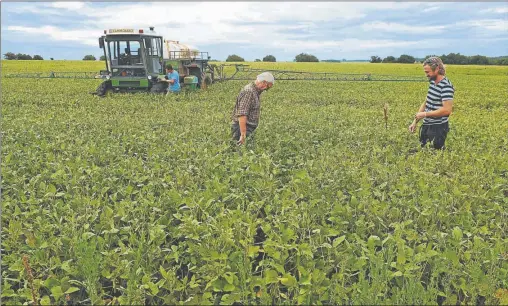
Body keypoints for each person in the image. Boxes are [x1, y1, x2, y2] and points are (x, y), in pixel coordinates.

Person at [409, 56, 455, 150]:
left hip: (438, 128)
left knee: (435, 155)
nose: (426, 75)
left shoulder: (446, 86)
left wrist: (425, 114)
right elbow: (426, 102)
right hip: (427, 125)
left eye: (428, 72)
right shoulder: (433, 82)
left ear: (437, 69)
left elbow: (447, 110)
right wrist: (415, 121)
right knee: (423, 151)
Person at [231, 72, 274, 146]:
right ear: (264, 82)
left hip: (247, 128)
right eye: (267, 87)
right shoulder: (249, 91)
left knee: (246, 152)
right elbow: (242, 114)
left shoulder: (255, 91)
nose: (265, 89)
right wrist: (243, 134)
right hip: (242, 128)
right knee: (239, 153)